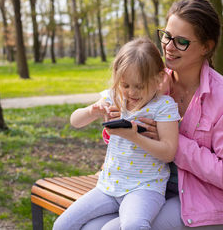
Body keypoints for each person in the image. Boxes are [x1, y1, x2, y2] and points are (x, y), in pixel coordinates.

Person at [81, 0, 223, 230]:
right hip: (150, 188)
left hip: (204, 202)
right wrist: (115, 122)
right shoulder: (154, 82)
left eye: (181, 41)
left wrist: (172, 143)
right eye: (167, 36)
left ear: (206, 46)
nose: (169, 47)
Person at [53, 37, 180, 230]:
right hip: (108, 187)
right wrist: (91, 111)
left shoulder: (163, 107)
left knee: (134, 225)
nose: (131, 93)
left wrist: (134, 136)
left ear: (158, 79)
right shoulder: (114, 98)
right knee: (62, 225)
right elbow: (75, 121)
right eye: (125, 85)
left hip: (145, 189)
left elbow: (168, 152)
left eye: (139, 86)